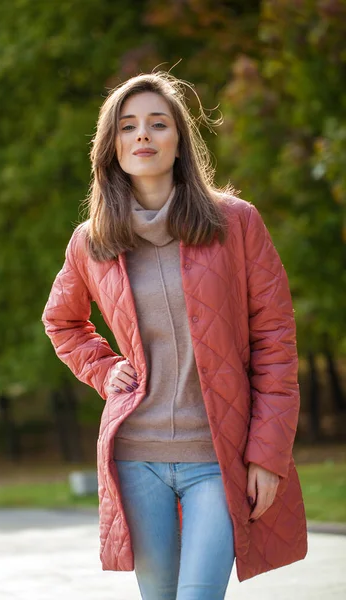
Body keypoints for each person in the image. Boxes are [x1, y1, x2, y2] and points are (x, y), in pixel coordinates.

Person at [41, 71, 308, 600]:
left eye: (157, 124)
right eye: (128, 126)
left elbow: (275, 341)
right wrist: (102, 368)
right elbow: (62, 321)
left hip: (218, 458)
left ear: (179, 140)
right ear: (111, 145)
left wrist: (268, 455)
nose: (143, 135)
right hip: (135, 457)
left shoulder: (236, 223)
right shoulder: (91, 241)